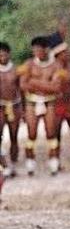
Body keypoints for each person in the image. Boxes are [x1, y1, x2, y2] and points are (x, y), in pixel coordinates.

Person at [19, 36, 61, 176]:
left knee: (51, 132)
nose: (36, 52)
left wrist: (35, 83)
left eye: (39, 49)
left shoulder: (56, 65)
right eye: (34, 50)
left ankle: (53, 163)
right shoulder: (29, 64)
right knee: (31, 133)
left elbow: (56, 87)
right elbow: (23, 84)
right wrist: (46, 84)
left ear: (46, 50)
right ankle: (30, 164)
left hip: (49, 101)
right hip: (32, 101)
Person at [52, 42, 70, 173]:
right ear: (58, 55)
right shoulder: (53, 68)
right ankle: (56, 163)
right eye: (64, 53)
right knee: (56, 134)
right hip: (58, 104)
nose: (67, 54)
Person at [0, 42, 22, 178]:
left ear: (9, 54)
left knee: (14, 137)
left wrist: (23, 109)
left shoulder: (16, 70)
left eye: (3, 54)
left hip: (14, 106)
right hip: (0, 107)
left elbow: (22, 90)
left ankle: (13, 165)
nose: (1, 57)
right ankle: (3, 165)